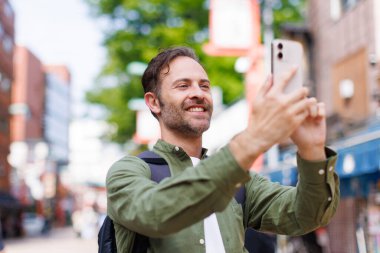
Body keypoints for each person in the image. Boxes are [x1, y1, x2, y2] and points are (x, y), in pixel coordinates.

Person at [106, 46, 340, 253]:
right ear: (153, 102)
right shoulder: (128, 172)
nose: (198, 93)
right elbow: (155, 213)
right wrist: (253, 138)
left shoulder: (242, 182)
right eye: (183, 85)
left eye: (204, 86)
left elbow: (307, 216)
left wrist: (312, 152)